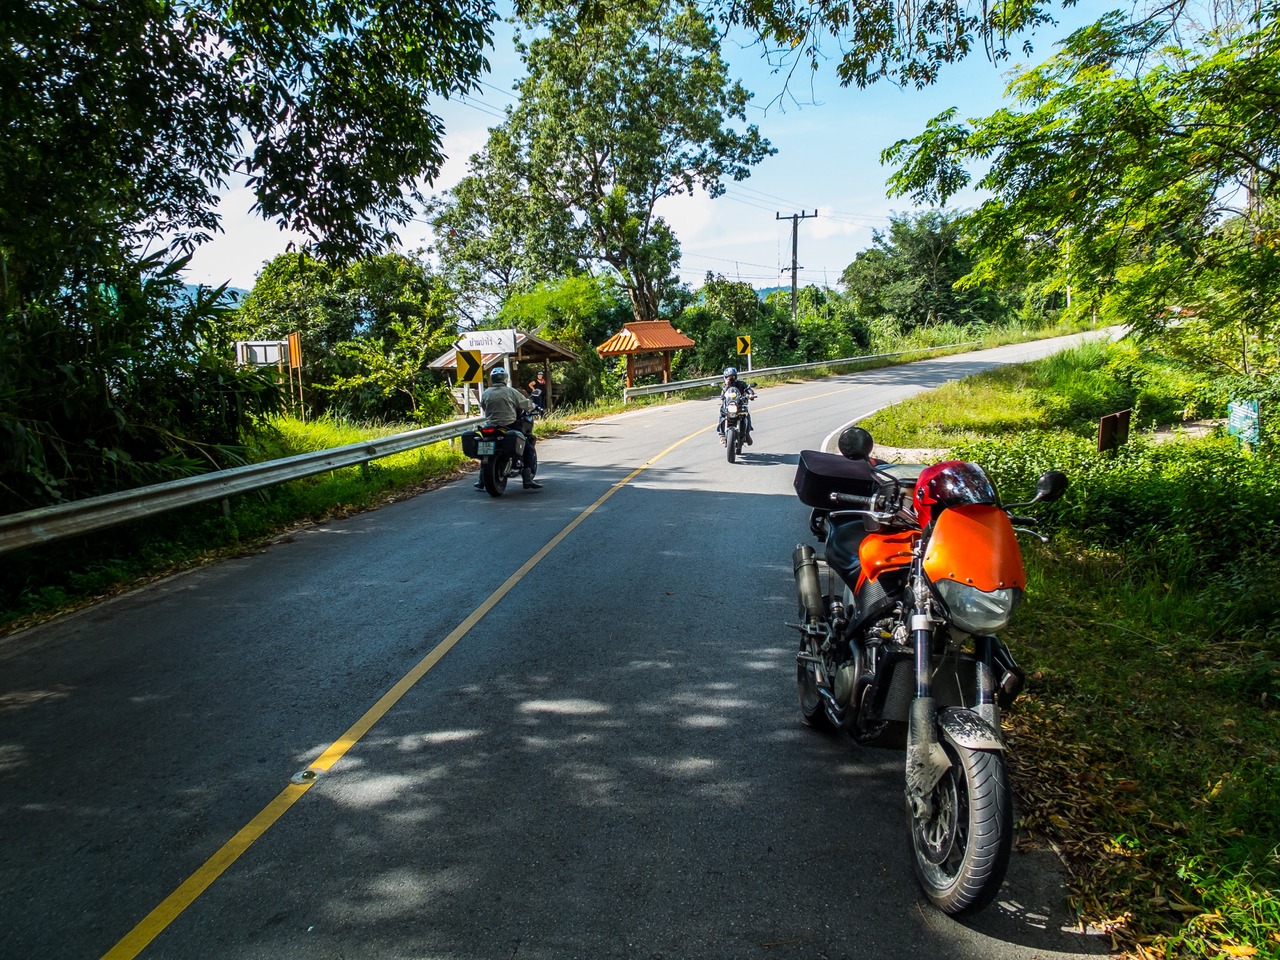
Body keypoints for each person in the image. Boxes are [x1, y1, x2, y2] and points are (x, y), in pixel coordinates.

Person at [474, 368, 542, 490]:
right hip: (509, 424)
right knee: (528, 448)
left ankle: (481, 479)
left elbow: (484, 407)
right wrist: (533, 406)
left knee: (486, 449)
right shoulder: (511, 392)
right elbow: (525, 404)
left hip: (490, 425)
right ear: (505, 378)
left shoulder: (486, 393)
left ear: (492, 379)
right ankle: (527, 478)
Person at [717, 366, 756, 445]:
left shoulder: (741, 383)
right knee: (722, 414)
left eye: (733, 376)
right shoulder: (725, 386)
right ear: (725, 377)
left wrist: (751, 394)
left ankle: (747, 433)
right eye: (729, 377)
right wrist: (726, 386)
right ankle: (721, 435)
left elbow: (748, 389)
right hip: (729, 406)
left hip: (740, 404)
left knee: (746, 414)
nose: (731, 378)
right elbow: (722, 395)